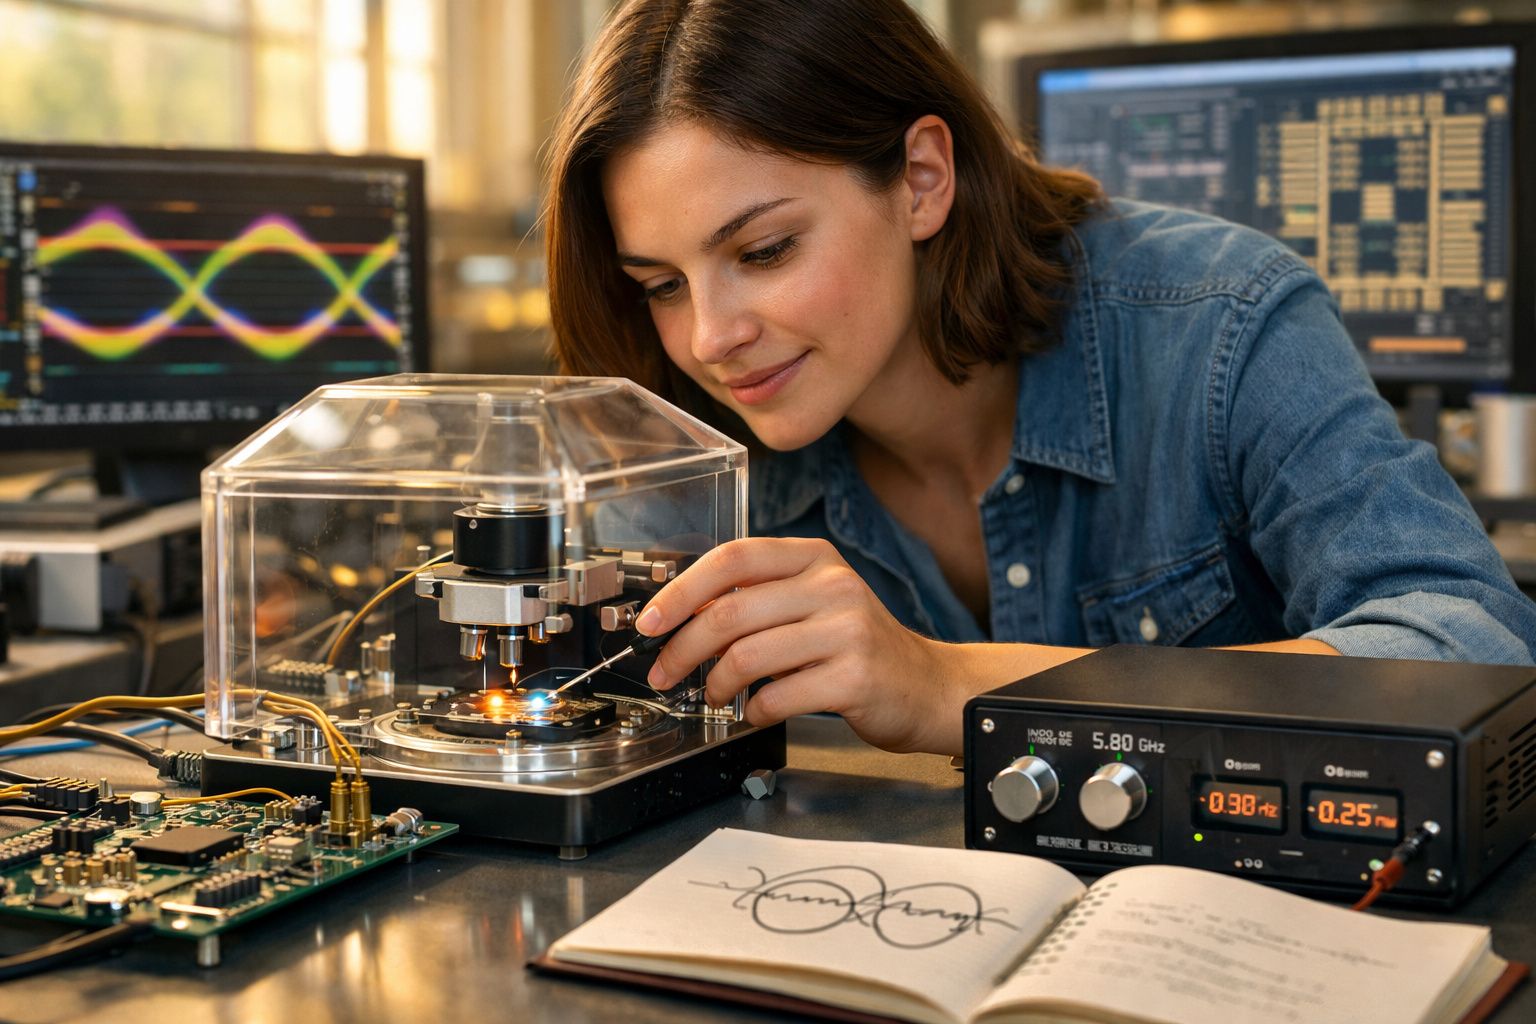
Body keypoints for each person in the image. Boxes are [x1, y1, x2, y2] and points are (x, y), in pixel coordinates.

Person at [542, 0, 1536, 757]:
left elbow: (1476, 649)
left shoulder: (1217, 322)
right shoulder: (685, 445)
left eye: (764, 250)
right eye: (662, 284)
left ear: (921, 180)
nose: (711, 337)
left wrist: (947, 685)